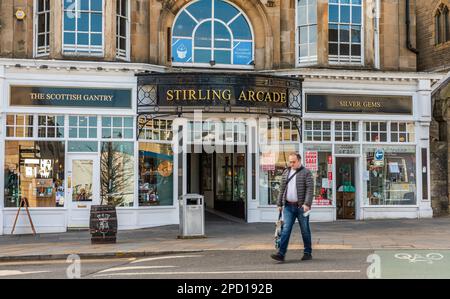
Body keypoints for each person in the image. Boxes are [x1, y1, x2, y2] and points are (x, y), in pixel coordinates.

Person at [271, 153, 314, 262]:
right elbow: (282, 189)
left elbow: (310, 190)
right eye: (290, 162)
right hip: (288, 206)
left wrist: (307, 204)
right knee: (286, 230)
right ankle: (281, 254)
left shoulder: (306, 173)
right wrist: (279, 204)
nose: (291, 164)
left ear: (299, 161)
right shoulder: (286, 172)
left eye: (293, 162)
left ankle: (307, 252)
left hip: (301, 207)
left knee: (305, 230)